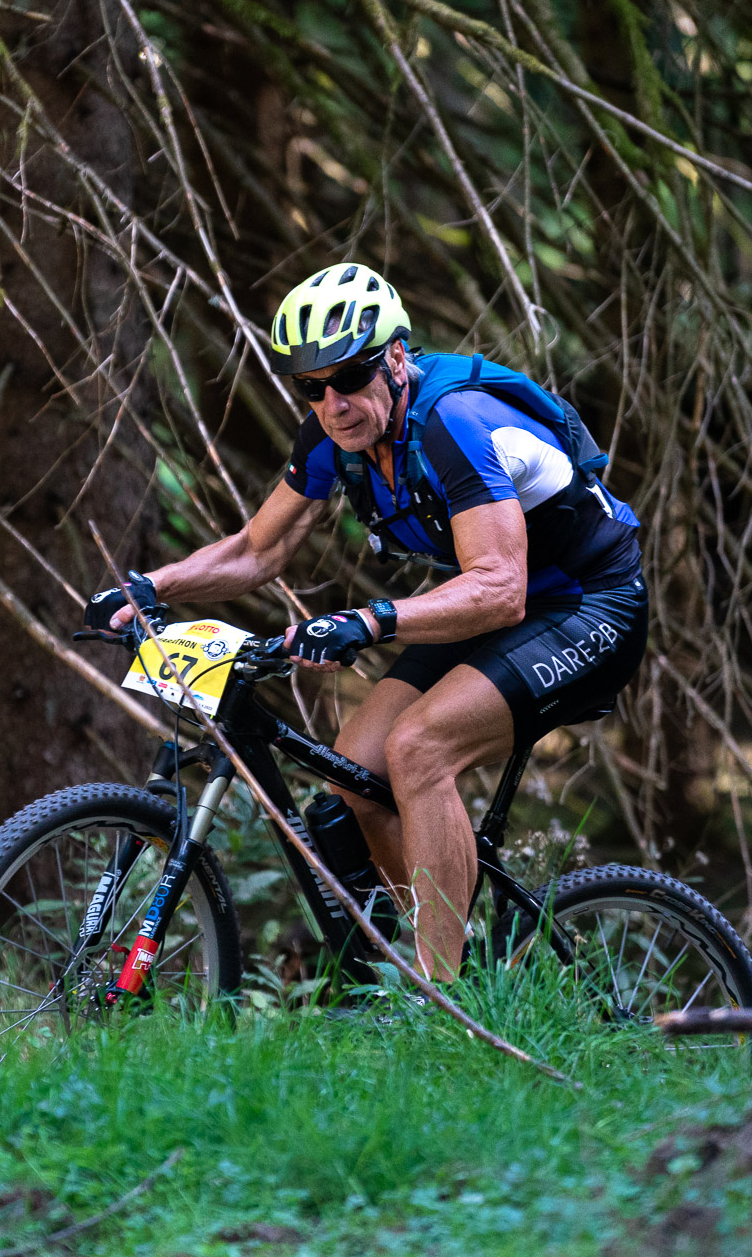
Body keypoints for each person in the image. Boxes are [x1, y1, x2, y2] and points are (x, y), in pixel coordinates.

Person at [84, 263, 648, 980]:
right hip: (493, 602)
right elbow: (258, 551)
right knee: (353, 775)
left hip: (589, 603)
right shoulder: (334, 437)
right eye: (312, 387)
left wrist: (370, 620)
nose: (334, 403)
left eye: (349, 376)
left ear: (397, 358)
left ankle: (444, 1006)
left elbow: (501, 589)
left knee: (418, 749)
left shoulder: (453, 424)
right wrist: (146, 587)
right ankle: (453, 965)